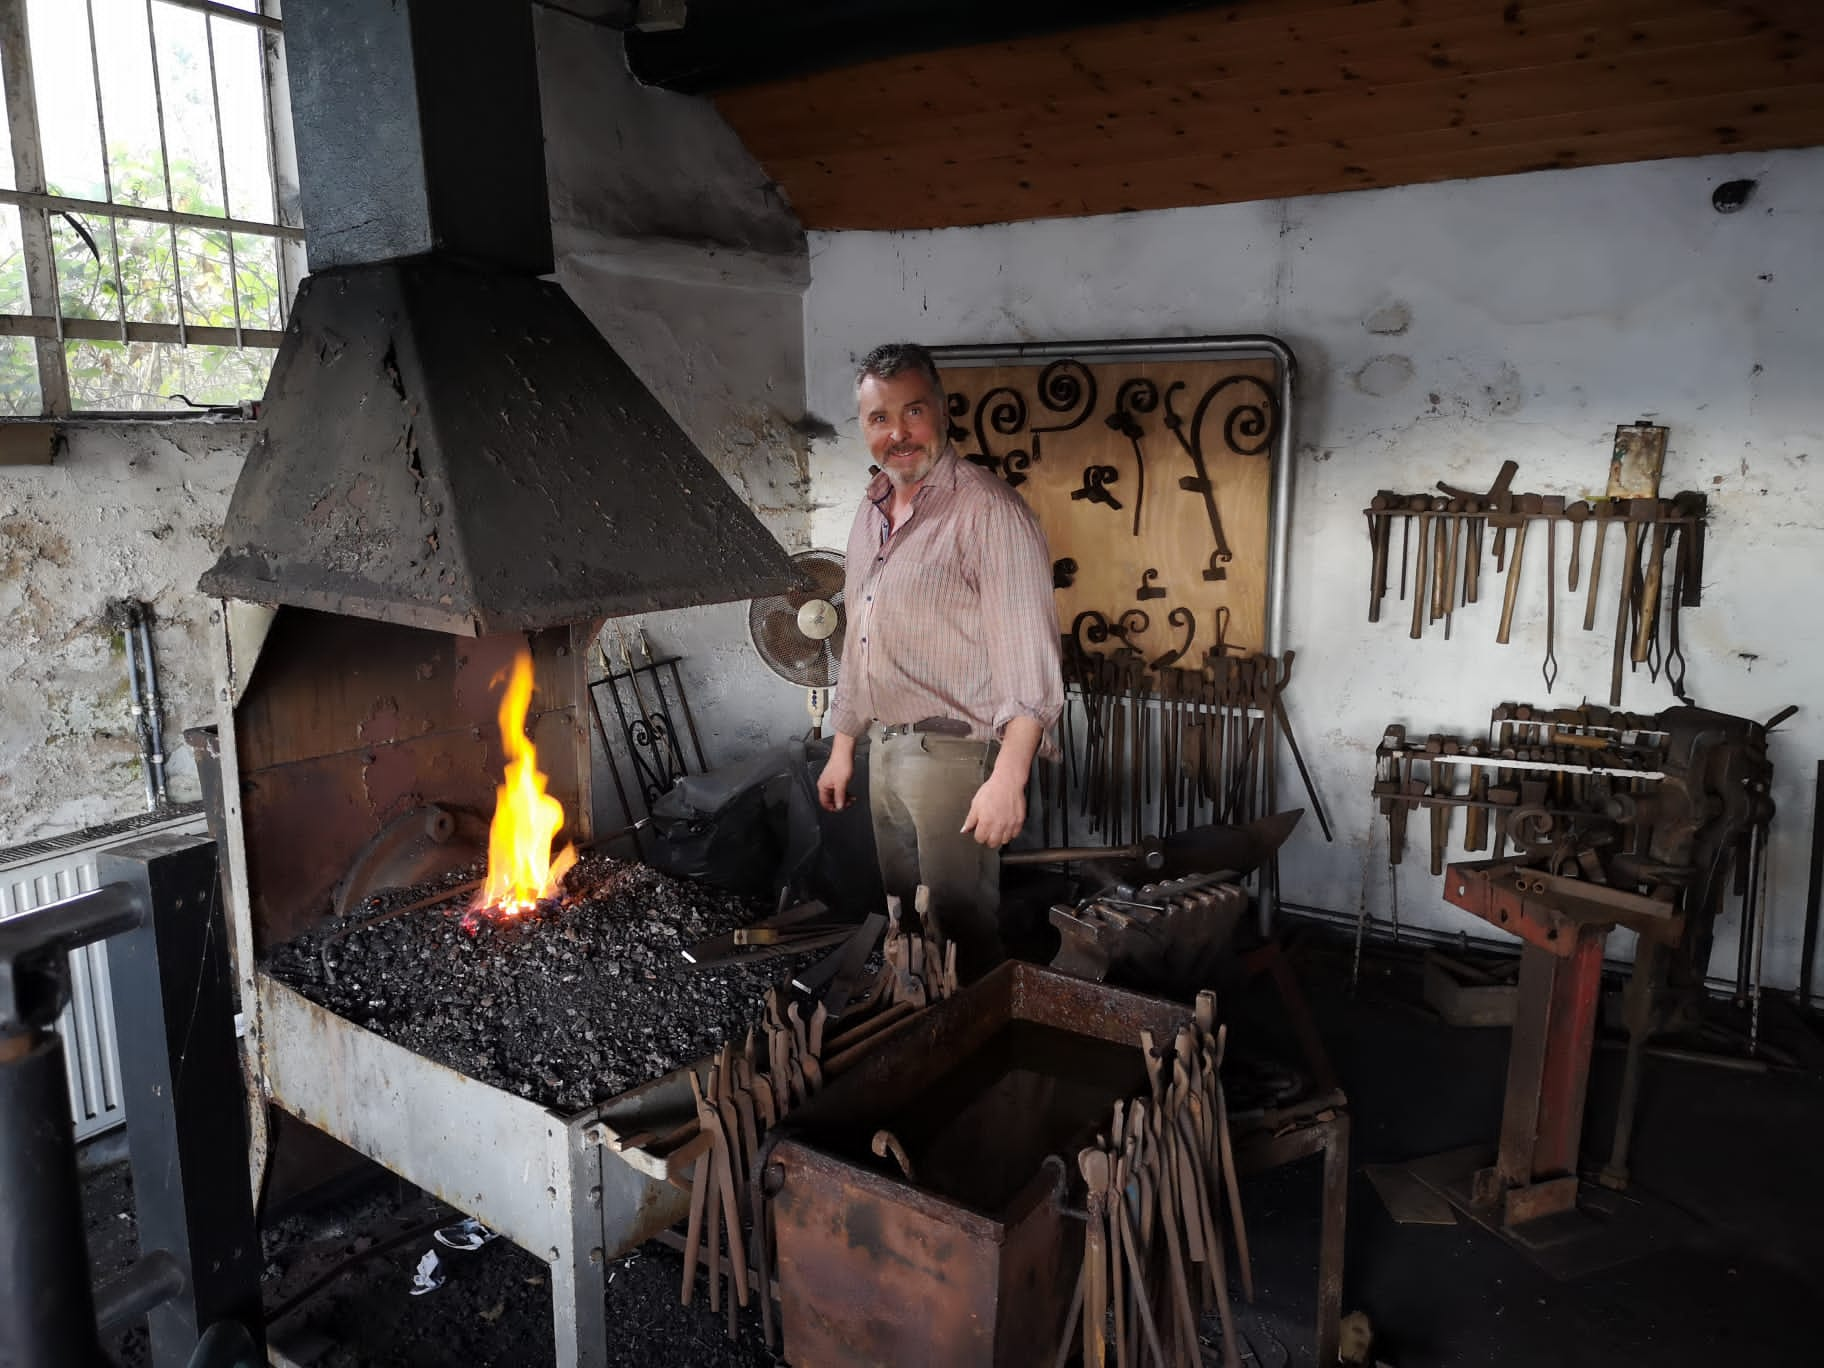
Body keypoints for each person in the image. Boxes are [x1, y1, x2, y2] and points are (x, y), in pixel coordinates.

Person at [816, 342, 1064, 981]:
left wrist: (1009, 776)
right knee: (904, 922)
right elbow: (860, 637)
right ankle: (921, 1037)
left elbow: (1029, 656)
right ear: (865, 427)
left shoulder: (989, 512)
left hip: (957, 756)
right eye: (879, 418)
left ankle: (981, 1057)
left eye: (913, 412)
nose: (898, 433)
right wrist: (845, 743)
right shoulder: (871, 513)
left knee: (961, 929)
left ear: (942, 411)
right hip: (888, 753)